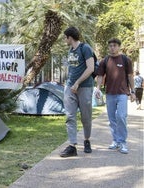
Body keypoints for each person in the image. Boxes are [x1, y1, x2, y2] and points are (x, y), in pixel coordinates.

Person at [95, 38, 135, 154]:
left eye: (114, 45)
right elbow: (101, 76)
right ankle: (115, 141)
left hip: (122, 93)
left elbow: (130, 76)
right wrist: (97, 88)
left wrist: (132, 92)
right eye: (110, 46)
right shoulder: (105, 61)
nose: (112, 48)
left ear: (119, 47)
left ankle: (122, 142)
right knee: (112, 119)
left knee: (121, 117)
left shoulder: (125, 60)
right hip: (110, 94)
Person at [60, 26, 94, 157]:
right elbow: (72, 68)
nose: (64, 40)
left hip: (84, 87)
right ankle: (72, 145)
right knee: (70, 116)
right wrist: (69, 83)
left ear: (70, 37)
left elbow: (90, 68)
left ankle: (87, 140)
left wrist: (77, 82)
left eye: (65, 37)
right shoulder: (70, 50)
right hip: (70, 87)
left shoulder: (85, 48)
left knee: (86, 117)